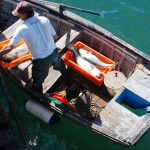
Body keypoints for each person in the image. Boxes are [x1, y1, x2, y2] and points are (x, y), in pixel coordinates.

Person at [0, 1, 66, 93]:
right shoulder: (44, 19)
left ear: (24, 14)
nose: (18, 16)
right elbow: (55, 37)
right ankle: (67, 76)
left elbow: (9, 48)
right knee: (60, 65)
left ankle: (38, 94)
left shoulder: (21, 29)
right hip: (53, 52)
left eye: (19, 14)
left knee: (38, 80)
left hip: (40, 60)